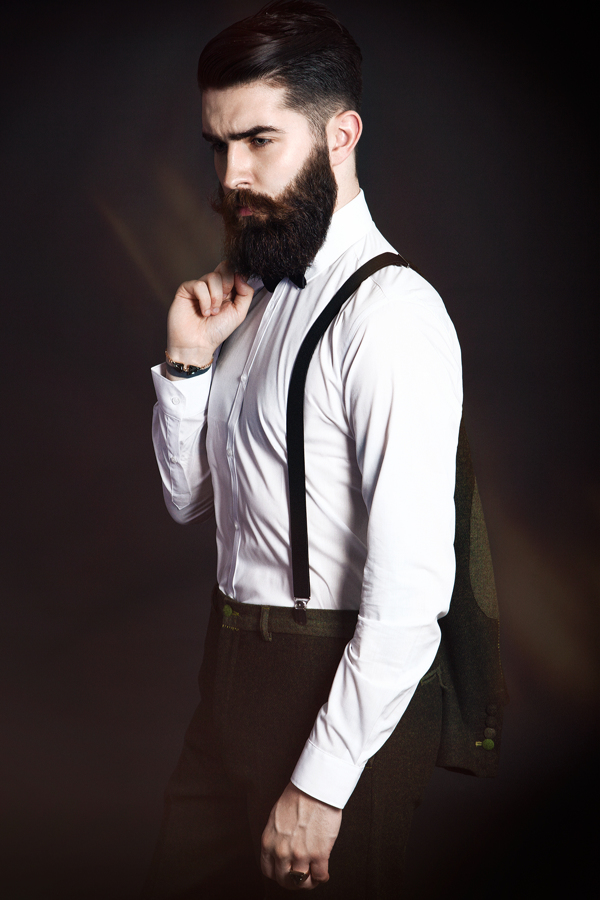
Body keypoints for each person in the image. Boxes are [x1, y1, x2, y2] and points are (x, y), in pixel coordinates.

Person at [142, 2, 463, 897]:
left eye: (259, 140)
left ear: (339, 136)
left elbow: (410, 595)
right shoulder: (254, 287)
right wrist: (187, 363)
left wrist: (321, 786)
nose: (232, 174)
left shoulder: (390, 318)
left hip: (334, 685)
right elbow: (188, 500)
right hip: (229, 669)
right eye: (218, 145)